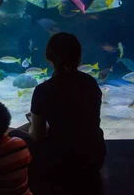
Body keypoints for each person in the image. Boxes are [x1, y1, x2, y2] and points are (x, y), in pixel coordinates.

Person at [28, 33, 106, 181]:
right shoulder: (91, 83)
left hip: (58, 164)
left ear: (49, 57)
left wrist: (31, 127)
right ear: (79, 56)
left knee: (20, 136)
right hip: (93, 160)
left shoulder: (43, 90)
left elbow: (37, 137)